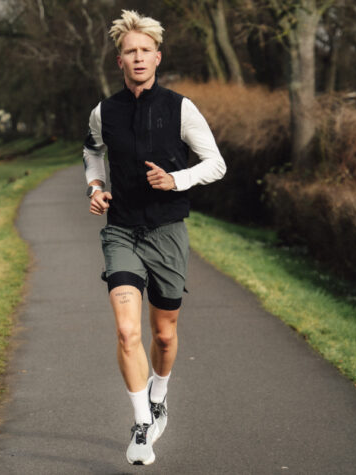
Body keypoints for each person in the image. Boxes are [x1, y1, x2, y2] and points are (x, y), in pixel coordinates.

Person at [83, 9, 226, 466]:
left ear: (158, 58)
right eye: (130, 51)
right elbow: (91, 151)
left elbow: (216, 163)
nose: (138, 57)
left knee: (163, 335)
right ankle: (142, 424)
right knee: (127, 332)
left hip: (167, 232)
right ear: (119, 60)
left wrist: (177, 180)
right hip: (121, 230)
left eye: (146, 50)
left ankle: (159, 396)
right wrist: (96, 187)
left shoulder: (181, 108)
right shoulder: (103, 112)